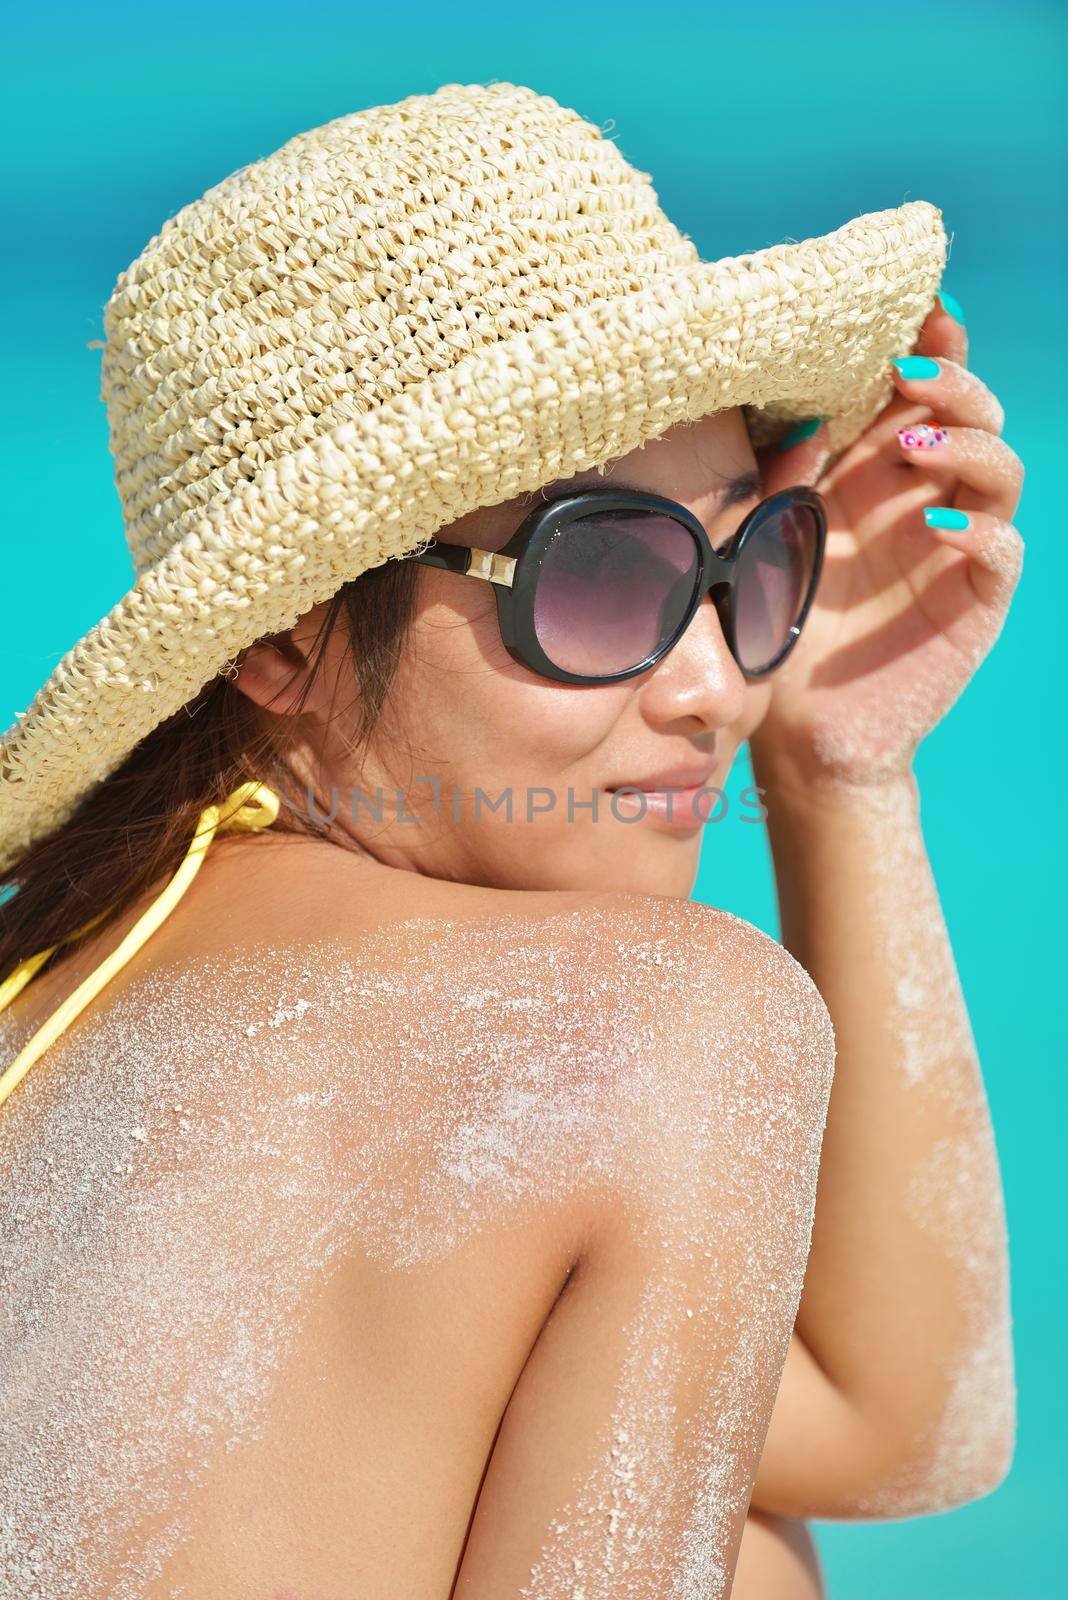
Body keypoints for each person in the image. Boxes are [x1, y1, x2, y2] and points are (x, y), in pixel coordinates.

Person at [0, 81, 1020, 1599]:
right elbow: (913, 1445)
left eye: (749, 560)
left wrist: (841, 770)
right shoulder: (643, 1023)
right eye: (601, 571)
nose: (718, 683)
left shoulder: (56, 990)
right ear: (278, 640)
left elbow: (899, 1430)